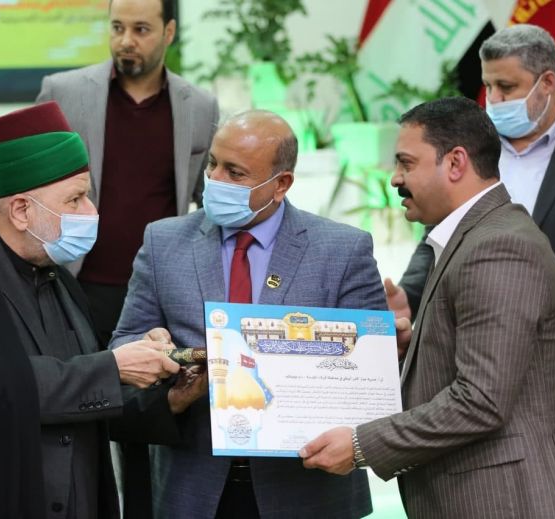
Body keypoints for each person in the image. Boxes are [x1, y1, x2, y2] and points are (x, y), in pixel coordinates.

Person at [0, 101, 204, 519]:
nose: (92, 212)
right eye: (76, 199)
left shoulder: (57, 276)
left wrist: (169, 397)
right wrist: (113, 367)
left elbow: (83, 401)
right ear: (21, 210)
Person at [300, 97, 555, 518]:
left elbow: (481, 400)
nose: (395, 178)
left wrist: (359, 445)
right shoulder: (470, 238)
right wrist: (410, 348)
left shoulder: (499, 246)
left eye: (406, 163)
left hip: (500, 501)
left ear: (455, 162)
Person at [386, 24, 555, 518]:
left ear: (548, 83)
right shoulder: (472, 154)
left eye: (506, 87)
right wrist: (410, 294)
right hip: (478, 369)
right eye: (487, 86)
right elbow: (439, 240)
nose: (492, 100)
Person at [110, 110, 387, 519]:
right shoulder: (163, 241)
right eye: (213, 164)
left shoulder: (342, 250)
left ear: (281, 184)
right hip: (193, 485)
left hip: (306, 490)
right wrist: (154, 353)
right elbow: (123, 343)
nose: (215, 180)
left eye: (235, 173)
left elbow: (372, 372)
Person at [36, 0, 219, 346]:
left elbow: (207, 201)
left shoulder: (199, 106)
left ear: (168, 32)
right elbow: (35, 187)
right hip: (76, 280)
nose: (126, 41)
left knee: (155, 381)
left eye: (141, 29)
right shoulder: (63, 92)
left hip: (161, 289)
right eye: (117, 27)